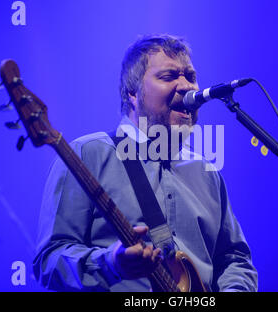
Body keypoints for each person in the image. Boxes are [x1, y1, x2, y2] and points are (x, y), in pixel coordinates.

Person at [33, 34, 258, 292]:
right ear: (132, 92)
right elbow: (48, 261)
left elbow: (234, 259)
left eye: (190, 76)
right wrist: (112, 265)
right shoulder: (87, 154)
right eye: (169, 76)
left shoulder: (206, 172)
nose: (187, 87)